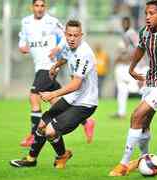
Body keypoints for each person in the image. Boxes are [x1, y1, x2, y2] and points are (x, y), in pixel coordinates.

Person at [109, 0, 157, 176]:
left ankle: (123, 164)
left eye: (151, 13)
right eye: (146, 13)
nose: (147, 17)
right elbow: (140, 49)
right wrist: (131, 67)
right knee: (143, 123)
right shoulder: (144, 32)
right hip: (150, 83)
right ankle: (144, 158)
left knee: (136, 114)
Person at [10, 20, 98, 168]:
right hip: (73, 98)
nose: (72, 38)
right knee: (42, 124)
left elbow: (76, 84)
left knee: (50, 131)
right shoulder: (70, 47)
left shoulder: (85, 54)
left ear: (81, 35)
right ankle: (31, 159)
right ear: (65, 34)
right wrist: (56, 65)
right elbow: (66, 57)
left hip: (85, 103)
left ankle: (62, 155)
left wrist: (53, 94)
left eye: (75, 35)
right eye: (69, 35)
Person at [18, 0, 95, 147]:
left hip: (48, 65)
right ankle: (86, 122)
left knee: (34, 97)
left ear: (45, 7)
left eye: (42, 6)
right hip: (39, 65)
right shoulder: (25, 22)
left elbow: (65, 37)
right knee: (56, 102)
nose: (39, 8)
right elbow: (22, 40)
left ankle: (34, 135)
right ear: (32, 7)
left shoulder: (52, 22)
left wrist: (58, 49)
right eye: (37, 5)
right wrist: (22, 46)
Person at [112, 16, 147, 119]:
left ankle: (145, 111)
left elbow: (138, 48)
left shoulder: (131, 34)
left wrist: (127, 59)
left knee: (140, 88)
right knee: (122, 88)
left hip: (138, 65)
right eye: (123, 23)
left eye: (126, 23)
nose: (124, 25)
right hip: (132, 65)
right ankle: (121, 112)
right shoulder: (126, 34)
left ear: (129, 23)